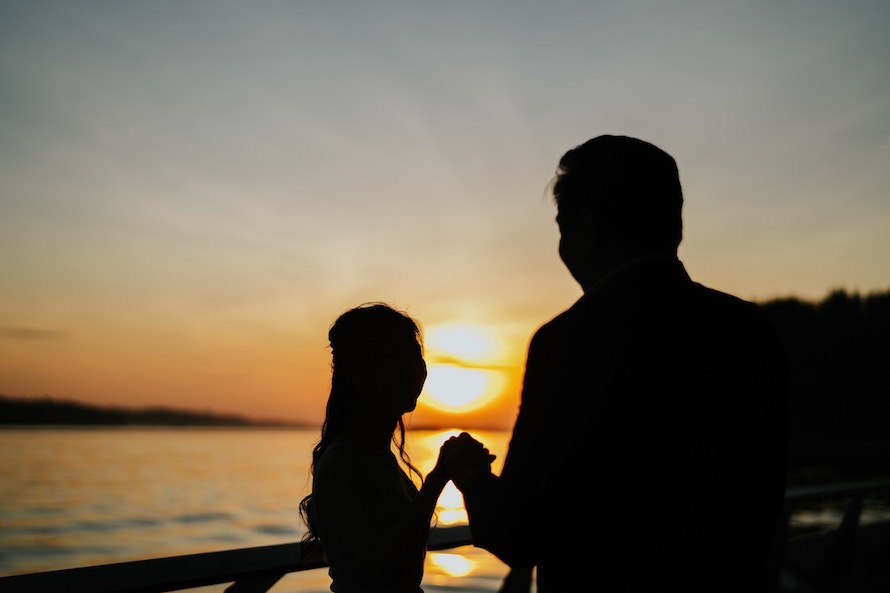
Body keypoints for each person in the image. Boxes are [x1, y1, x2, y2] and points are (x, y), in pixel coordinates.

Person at [446, 135, 790, 592]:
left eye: (561, 228)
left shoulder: (570, 341)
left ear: (586, 228)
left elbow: (520, 531)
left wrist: (470, 474)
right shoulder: (750, 329)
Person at [299, 302, 471, 593]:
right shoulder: (344, 462)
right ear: (356, 373)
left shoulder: (377, 456)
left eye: (416, 357)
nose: (413, 370)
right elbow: (378, 576)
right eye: (395, 358)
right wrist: (436, 480)